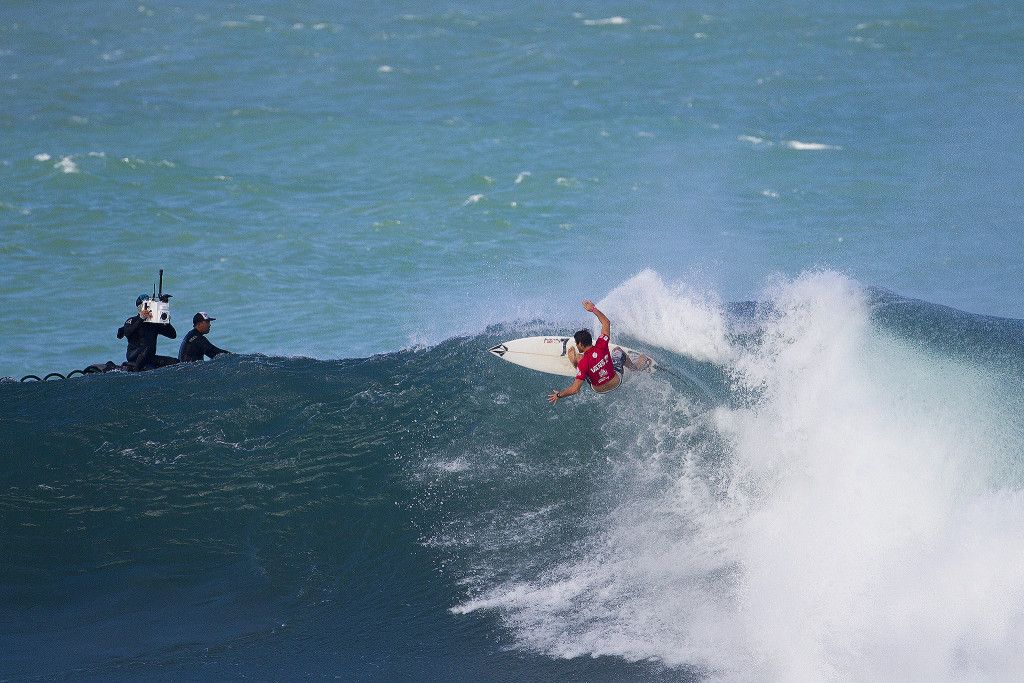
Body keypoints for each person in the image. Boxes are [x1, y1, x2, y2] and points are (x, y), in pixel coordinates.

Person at [548, 299, 648, 405]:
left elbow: (575, 389)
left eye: (577, 344)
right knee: (618, 351)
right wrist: (593, 309)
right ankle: (635, 368)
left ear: (581, 344)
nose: (577, 345)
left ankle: (575, 363)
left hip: (597, 388)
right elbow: (606, 322)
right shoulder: (602, 344)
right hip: (615, 382)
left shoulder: (583, 362)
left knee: (579, 359)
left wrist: (558, 395)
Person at [117, 294, 178, 371]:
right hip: (133, 356)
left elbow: (173, 335)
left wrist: (166, 323)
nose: (148, 308)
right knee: (147, 349)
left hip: (149, 357)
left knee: (175, 362)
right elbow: (127, 333)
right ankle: (136, 368)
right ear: (139, 308)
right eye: (146, 305)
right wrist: (141, 319)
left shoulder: (154, 324)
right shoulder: (132, 320)